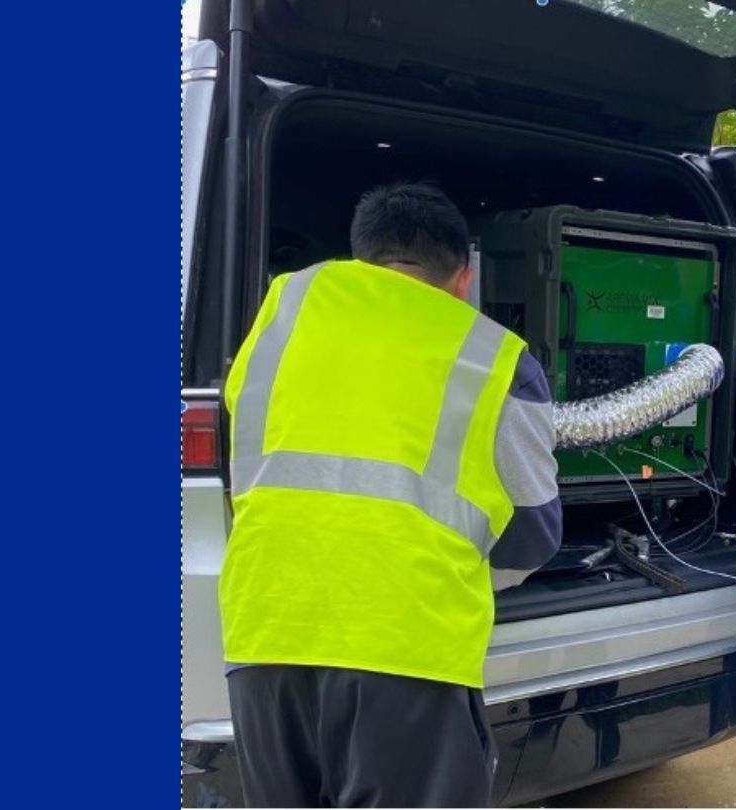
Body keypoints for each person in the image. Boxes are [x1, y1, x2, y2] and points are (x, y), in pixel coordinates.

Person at [219, 182, 563, 807]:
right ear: (463, 276)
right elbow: (534, 533)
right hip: (407, 652)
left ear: (362, 257)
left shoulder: (281, 314)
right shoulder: (493, 356)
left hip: (262, 634)